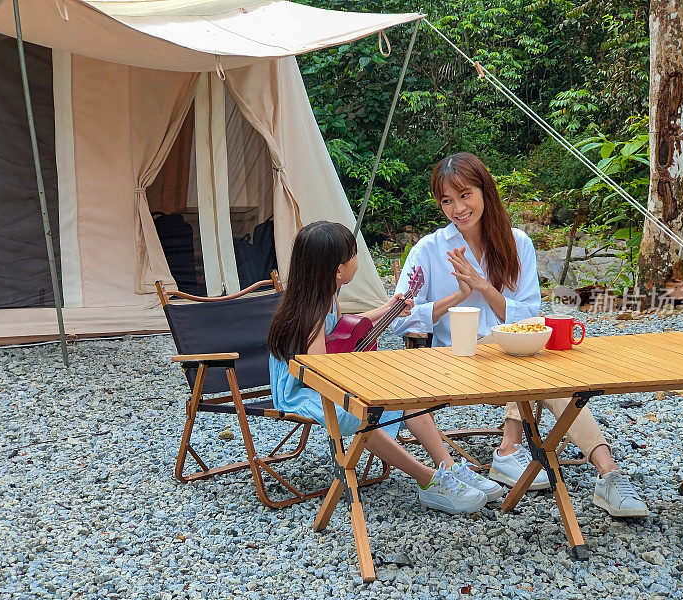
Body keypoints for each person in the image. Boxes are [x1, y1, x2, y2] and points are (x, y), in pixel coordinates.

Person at [392, 152, 648, 517]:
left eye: (465, 195)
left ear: (485, 191)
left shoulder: (517, 243)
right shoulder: (429, 250)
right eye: (447, 201)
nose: (457, 208)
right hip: (455, 361)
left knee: (546, 363)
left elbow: (529, 315)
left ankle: (608, 474)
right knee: (532, 357)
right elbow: (399, 319)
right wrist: (456, 298)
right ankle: (509, 451)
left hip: (512, 359)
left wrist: (483, 286)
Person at [267, 220, 503, 515]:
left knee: (405, 393)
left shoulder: (325, 296)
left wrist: (387, 308)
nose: (357, 260)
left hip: (322, 380)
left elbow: (341, 331)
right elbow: (318, 371)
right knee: (367, 406)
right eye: (353, 255)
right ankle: (428, 479)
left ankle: (450, 467)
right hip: (302, 391)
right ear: (338, 270)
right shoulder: (313, 312)